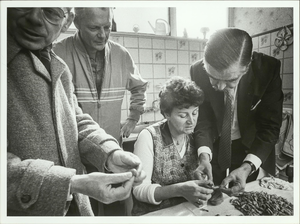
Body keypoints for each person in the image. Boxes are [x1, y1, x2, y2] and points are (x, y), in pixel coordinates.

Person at [7, 7, 145, 216]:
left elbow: (74, 119)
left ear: (66, 19)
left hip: (79, 199)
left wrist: (110, 152)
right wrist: (72, 182)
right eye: (23, 5)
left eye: (50, 11)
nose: (35, 18)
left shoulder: (56, 62)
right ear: (76, 24)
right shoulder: (61, 52)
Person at [190, 28, 283, 196]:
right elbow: (203, 119)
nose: (219, 87)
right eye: (213, 77)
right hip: (215, 149)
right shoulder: (197, 71)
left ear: (247, 67)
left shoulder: (267, 70)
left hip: (252, 149)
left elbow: (270, 127)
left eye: (230, 80)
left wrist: (247, 167)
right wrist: (203, 155)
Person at [53, 7, 148, 144]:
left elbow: (139, 87)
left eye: (107, 27)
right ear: (77, 22)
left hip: (112, 148)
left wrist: (133, 117)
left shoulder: (121, 55)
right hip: (74, 151)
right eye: (94, 28)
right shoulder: (58, 53)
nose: (102, 35)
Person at [131, 77, 214, 216]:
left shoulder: (197, 136)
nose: (191, 121)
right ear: (167, 114)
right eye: (183, 115)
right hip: (154, 215)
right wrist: (179, 189)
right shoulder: (149, 137)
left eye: (195, 113)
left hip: (187, 213)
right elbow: (139, 190)